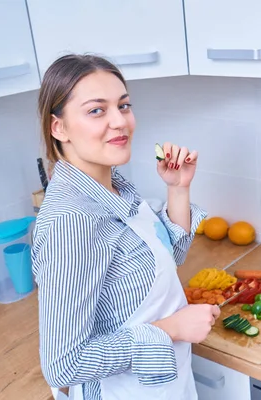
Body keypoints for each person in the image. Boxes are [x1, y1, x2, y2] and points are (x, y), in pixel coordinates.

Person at [30, 54, 220, 400]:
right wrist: (172, 329)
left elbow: (166, 257)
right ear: (59, 128)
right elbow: (63, 365)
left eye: (124, 105)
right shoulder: (72, 223)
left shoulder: (113, 186)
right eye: (96, 110)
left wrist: (178, 189)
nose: (120, 121)